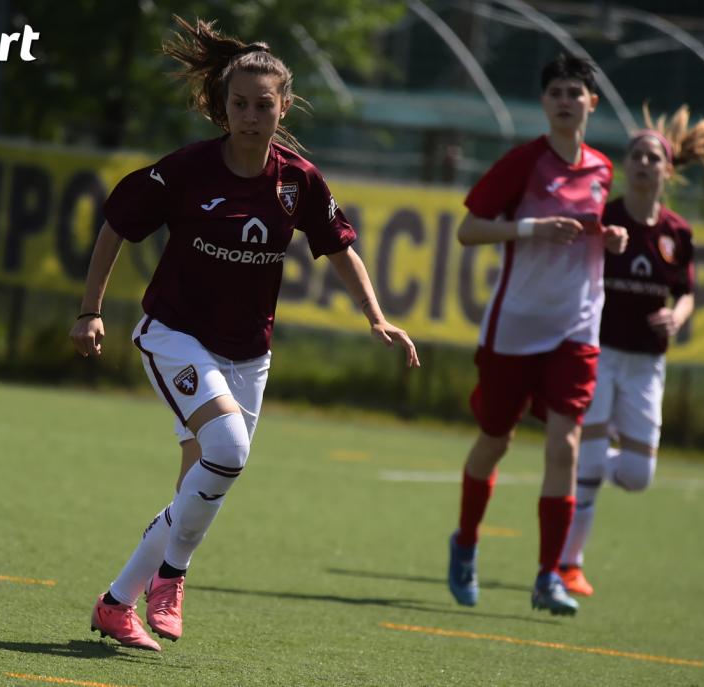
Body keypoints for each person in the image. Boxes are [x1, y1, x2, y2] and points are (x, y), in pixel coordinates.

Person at [70, 16, 420, 652]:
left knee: (200, 486)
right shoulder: (187, 169)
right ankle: (172, 577)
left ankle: (116, 604)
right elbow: (117, 222)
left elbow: (338, 247)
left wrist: (376, 316)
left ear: (283, 106)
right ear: (222, 107)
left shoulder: (297, 179)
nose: (252, 117)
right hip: (174, 335)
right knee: (228, 452)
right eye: (240, 105)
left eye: (264, 105)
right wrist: (90, 310)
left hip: (248, 355)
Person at [445, 53, 628, 616]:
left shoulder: (602, 168)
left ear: (592, 102)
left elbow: (589, 229)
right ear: (545, 103)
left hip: (577, 325)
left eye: (575, 92)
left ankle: (550, 575)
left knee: (565, 443)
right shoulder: (524, 162)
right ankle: (465, 542)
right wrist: (531, 228)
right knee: (495, 439)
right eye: (556, 93)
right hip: (517, 325)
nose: (566, 101)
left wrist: (610, 237)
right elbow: (469, 230)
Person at [558, 106, 704, 596]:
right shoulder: (604, 219)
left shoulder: (677, 232)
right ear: (625, 165)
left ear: (667, 170)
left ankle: (589, 459)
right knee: (590, 466)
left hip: (647, 363)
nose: (643, 163)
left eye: (653, 157)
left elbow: (686, 292)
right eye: (636, 155)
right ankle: (568, 565)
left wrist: (679, 316)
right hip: (598, 353)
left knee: (636, 476)